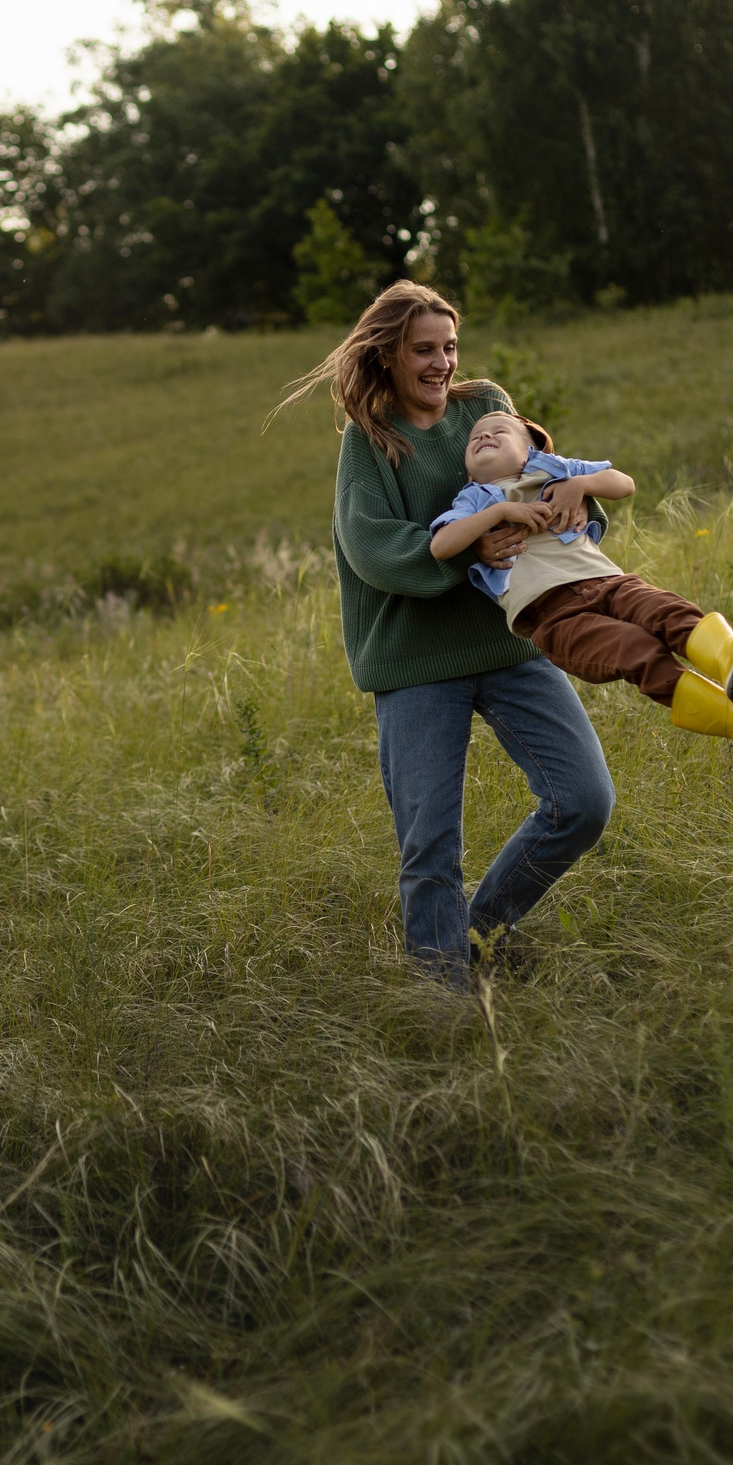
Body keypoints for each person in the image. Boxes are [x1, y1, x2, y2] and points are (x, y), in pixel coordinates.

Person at [271, 281, 612, 986]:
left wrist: (575, 496)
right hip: (416, 659)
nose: (442, 363)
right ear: (388, 355)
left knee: (583, 800)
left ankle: (479, 933)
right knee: (429, 848)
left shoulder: (485, 406)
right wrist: (470, 551)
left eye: (449, 346)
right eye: (423, 349)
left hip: (509, 639)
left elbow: (535, 479)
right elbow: (370, 546)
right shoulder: (371, 441)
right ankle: (443, 1003)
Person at [428, 409, 733, 756]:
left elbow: (624, 484)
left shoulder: (553, 470)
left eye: (499, 431)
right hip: (553, 615)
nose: (484, 435)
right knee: (634, 650)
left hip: (607, 581)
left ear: (530, 450)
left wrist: (580, 484)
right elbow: (441, 546)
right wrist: (499, 512)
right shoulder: (473, 499)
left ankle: (730, 661)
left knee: (667, 610)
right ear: (469, 471)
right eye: (475, 438)